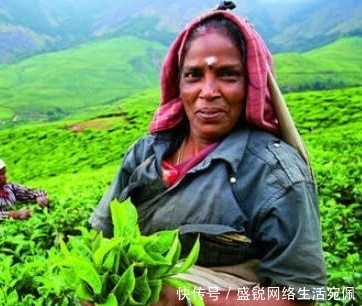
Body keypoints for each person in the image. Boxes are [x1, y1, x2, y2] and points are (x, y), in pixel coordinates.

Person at [88, 2, 326, 306]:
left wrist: (186, 298)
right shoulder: (146, 154)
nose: (208, 91)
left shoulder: (276, 175)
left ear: (252, 84)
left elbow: (303, 295)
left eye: (228, 75)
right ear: (178, 83)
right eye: (193, 75)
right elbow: (102, 236)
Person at [0, 157, 49, 224]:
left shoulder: (9, 187)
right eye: (1, 174)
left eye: (5, 173)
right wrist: (15, 214)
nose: (5, 177)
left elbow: (28, 192)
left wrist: (39, 196)